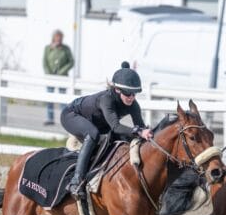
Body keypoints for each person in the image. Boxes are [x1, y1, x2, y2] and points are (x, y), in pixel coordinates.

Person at [61, 61, 153, 198]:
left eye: (134, 94)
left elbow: (140, 128)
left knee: (125, 137)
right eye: (128, 93)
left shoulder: (133, 104)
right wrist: (139, 131)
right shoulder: (106, 99)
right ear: (117, 89)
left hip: (98, 122)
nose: (131, 98)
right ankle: (76, 181)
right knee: (93, 134)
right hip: (71, 115)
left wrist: (147, 133)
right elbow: (116, 126)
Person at [43, 30, 74, 126]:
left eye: (60, 37)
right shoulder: (48, 48)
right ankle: (50, 118)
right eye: (57, 37)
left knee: (62, 98)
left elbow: (71, 62)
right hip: (50, 77)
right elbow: (44, 62)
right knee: (49, 97)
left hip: (62, 77)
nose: (59, 39)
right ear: (53, 37)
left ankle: (64, 119)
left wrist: (62, 72)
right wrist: (49, 73)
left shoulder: (66, 49)